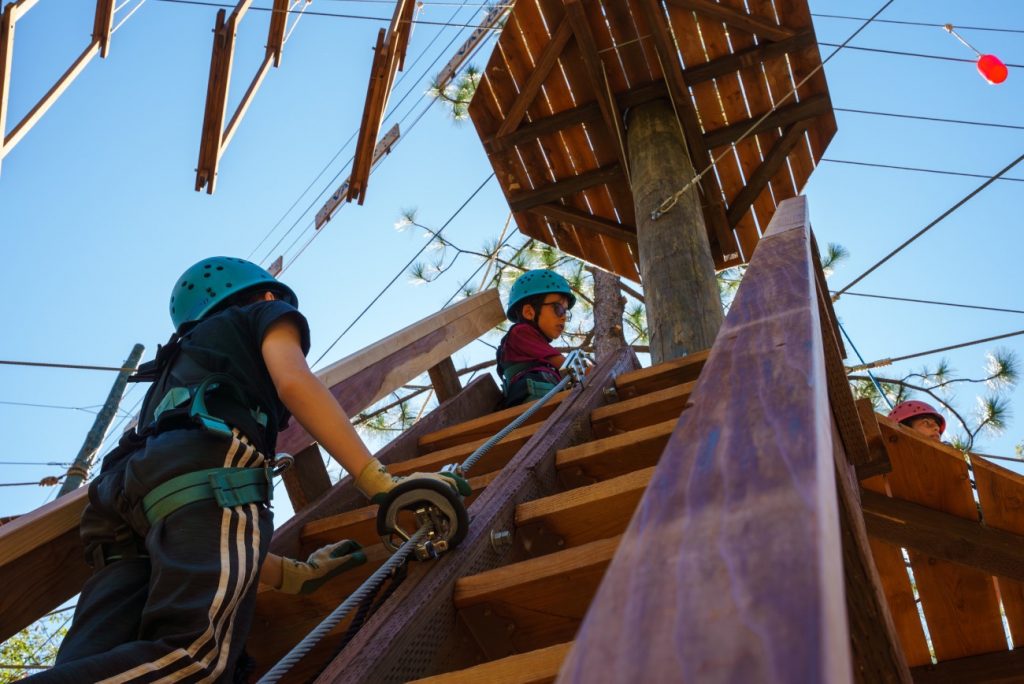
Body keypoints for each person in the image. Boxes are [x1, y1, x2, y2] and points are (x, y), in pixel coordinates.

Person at [30, 257, 469, 683]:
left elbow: (186, 532)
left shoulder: (174, 370)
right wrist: (380, 482)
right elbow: (293, 384)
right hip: (204, 467)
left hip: (117, 504)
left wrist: (292, 574)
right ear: (264, 293)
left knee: (90, 663)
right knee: (195, 659)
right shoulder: (264, 312)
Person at [495, 270, 576, 408]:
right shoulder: (520, 333)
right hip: (535, 408)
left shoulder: (530, 344)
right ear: (529, 312)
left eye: (565, 311)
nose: (563, 317)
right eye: (558, 309)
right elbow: (567, 366)